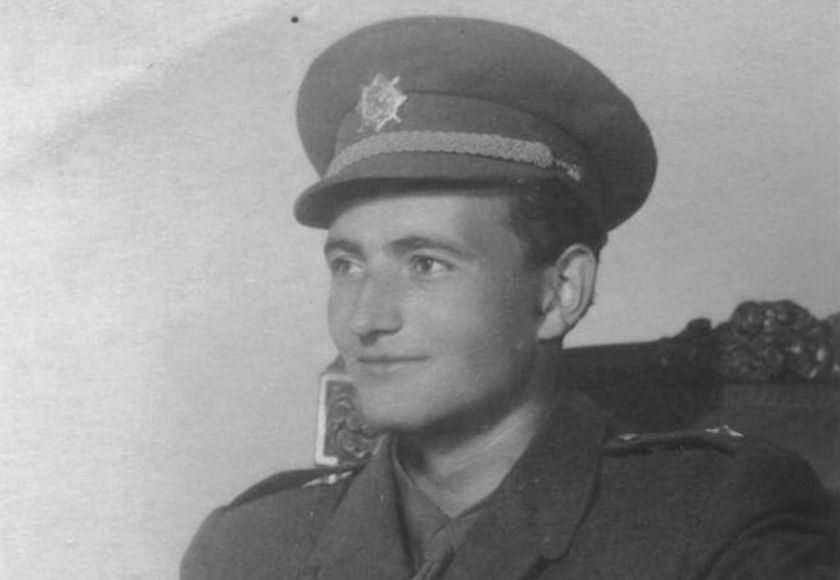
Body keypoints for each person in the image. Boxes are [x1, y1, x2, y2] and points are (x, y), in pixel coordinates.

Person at [181, 16, 837, 579]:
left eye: (427, 263)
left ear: (559, 292)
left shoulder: (715, 523)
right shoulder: (249, 547)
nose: (365, 318)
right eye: (347, 265)